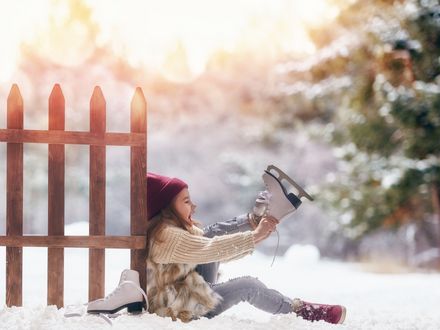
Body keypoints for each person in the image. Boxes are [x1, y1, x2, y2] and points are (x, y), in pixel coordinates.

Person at [145, 172, 347, 324]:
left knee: (209, 233)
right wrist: (255, 236)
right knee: (248, 286)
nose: (194, 206)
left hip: (187, 289)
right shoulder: (167, 236)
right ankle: (303, 311)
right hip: (182, 308)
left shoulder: (171, 228)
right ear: (167, 207)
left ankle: (259, 217)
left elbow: (212, 248)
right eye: (187, 201)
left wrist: (255, 226)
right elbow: (211, 249)